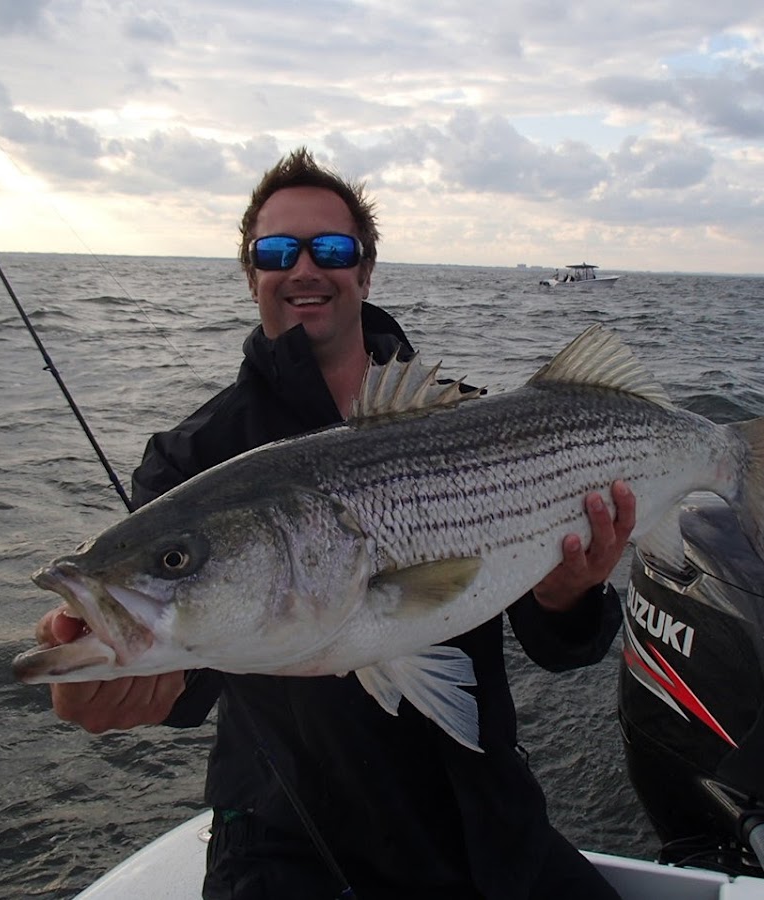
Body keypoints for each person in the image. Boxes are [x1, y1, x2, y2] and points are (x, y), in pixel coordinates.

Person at [36, 147, 635, 900]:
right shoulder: (192, 457)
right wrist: (120, 682)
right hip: (292, 841)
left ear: (367, 269)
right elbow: (187, 679)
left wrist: (568, 597)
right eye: (278, 251)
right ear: (252, 272)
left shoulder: (474, 419)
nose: (305, 269)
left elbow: (562, 649)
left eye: (334, 249)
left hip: (483, 819)